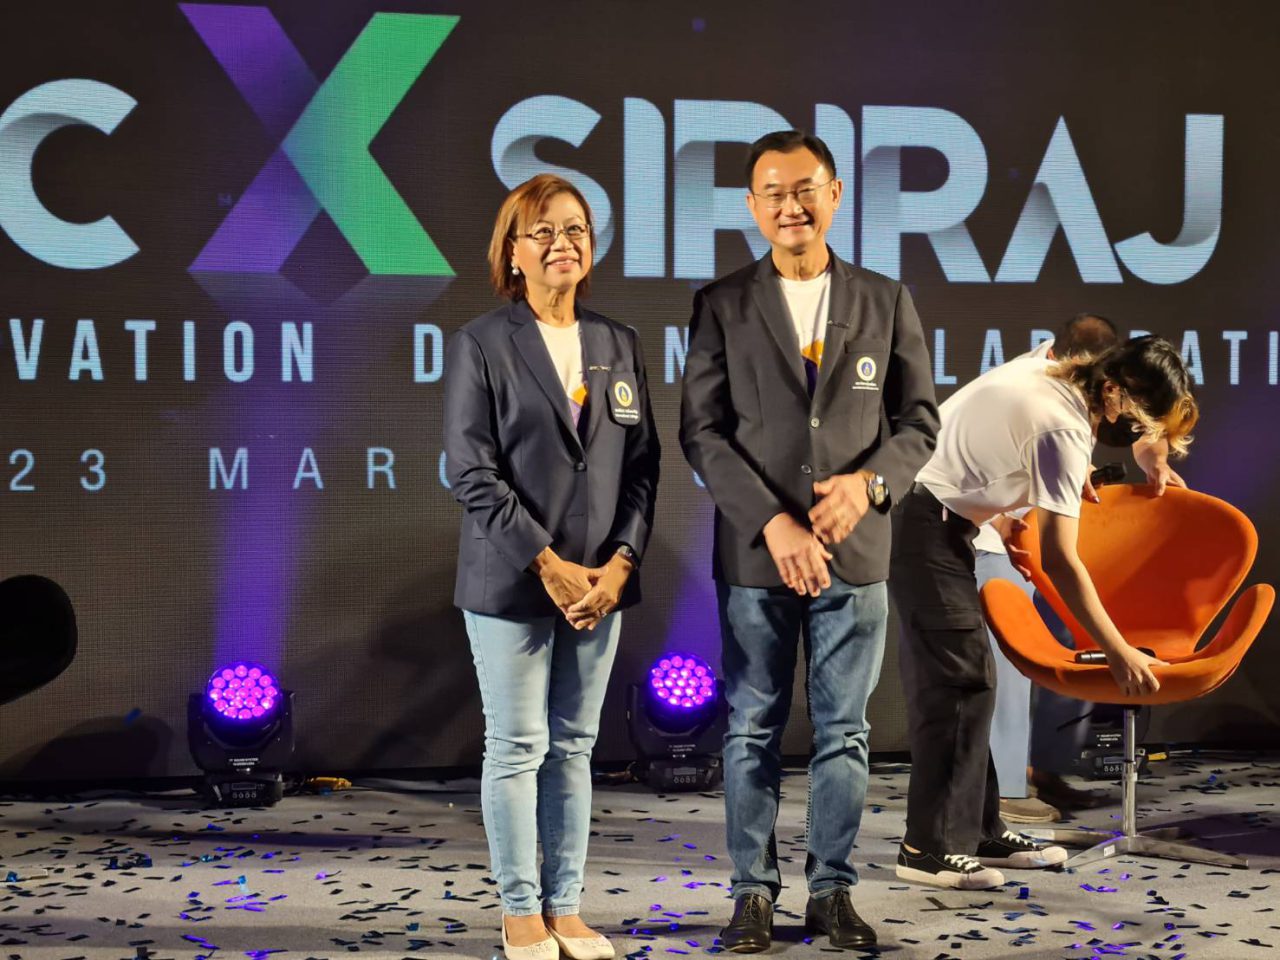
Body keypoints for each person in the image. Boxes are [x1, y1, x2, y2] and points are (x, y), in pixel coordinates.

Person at [680, 130, 938, 951]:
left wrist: (868, 487)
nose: (790, 206)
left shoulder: (885, 299)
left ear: (834, 196)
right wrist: (773, 521)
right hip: (759, 556)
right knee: (751, 729)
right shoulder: (722, 303)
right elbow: (702, 432)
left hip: (855, 553)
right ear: (752, 207)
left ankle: (832, 891)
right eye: (773, 193)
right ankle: (752, 894)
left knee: (845, 733)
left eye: (805, 189)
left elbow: (919, 421)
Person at [444, 173, 661, 960]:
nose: (562, 243)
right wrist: (548, 564)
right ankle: (520, 912)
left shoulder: (618, 342)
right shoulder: (482, 343)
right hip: (511, 580)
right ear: (513, 253)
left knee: (574, 747)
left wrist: (620, 564)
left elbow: (642, 468)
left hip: (601, 587)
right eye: (542, 231)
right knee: (518, 747)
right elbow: (471, 471)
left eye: (575, 229)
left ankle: (566, 907)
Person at [891, 334, 1197, 889]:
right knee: (957, 685)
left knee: (971, 685)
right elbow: (1060, 559)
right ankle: (925, 848)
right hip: (919, 522)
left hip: (948, 518)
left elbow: (990, 447)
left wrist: (1008, 516)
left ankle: (979, 831)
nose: (1139, 434)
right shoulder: (1062, 425)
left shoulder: (1055, 368)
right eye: (1142, 423)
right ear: (1112, 392)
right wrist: (1117, 650)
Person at [974, 315, 1187, 824]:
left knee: (1071, 645)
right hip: (989, 531)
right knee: (1009, 665)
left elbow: (1144, 427)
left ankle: (1045, 770)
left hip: (1036, 536)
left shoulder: (1094, 390)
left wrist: (1154, 458)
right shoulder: (1034, 386)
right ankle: (1005, 790)